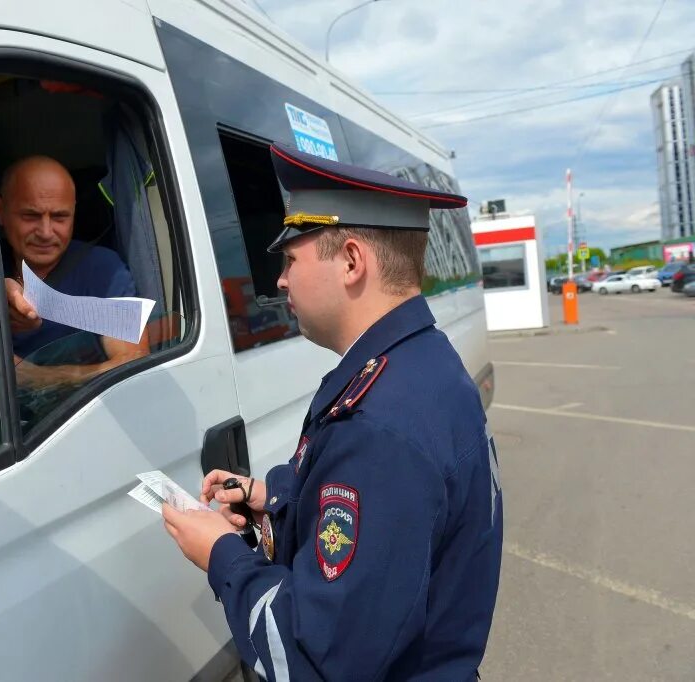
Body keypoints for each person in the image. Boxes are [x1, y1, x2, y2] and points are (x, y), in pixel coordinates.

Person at [162, 144, 503, 681]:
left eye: (291, 259)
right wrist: (272, 500)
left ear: (350, 261)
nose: (280, 280)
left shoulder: (379, 427)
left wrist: (221, 554)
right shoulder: (419, 366)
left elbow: (314, 659)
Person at [0, 155, 150, 393]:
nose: (46, 232)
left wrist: (41, 378)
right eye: (30, 216)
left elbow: (134, 363)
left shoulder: (101, 270)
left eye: (59, 217)